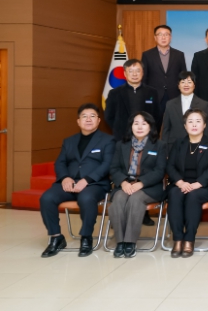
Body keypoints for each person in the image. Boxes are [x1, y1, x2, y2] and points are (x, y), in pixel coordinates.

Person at [40, 104, 115, 258]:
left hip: (94, 184)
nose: (88, 119)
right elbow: (60, 163)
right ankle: (56, 237)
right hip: (70, 182)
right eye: (84, 116)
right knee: (46, 198)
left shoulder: (108, 140)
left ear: (98, 120)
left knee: (86, 198)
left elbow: (107, 164)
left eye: (92, 116)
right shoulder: (69, 141)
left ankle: (86, 238)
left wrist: (87, 180)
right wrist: (65, 177)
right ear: (78, 121)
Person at [108, 112, 167, 258]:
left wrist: (141, 183)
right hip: (125, 184)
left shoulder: (159, 145)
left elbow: (160, 171)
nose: (140, 127)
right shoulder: (121, 145)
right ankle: (120, 242)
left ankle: (130, 242)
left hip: (149, 187)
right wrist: (123, 182)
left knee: (135, 199)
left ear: (150, 126)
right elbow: (114, 168)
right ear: (131, 126)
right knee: (118, 199)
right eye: (136, 123)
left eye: (144, 123)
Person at [166, 109, 208, 258]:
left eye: (198, 121)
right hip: (181, 184)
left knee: (193, 196)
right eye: (190, 122)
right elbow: (170, 166)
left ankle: (189, 239)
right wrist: (180, 182)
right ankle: (178, 239)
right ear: (185, 126)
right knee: (174, 194)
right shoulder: (179, 143)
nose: (194, 125)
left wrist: (199, 183)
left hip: (205, 186)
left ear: (204, 125)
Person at [105, 59, 161, 142]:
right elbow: (109, 116)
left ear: (142, 73)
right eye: (130, 71)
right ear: (125, 73)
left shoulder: (152, 92)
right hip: (122, 137)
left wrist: (150, 131)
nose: (134, 74)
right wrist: (119, 130)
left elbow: (157, 115)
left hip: (147, 137)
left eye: (138, 71)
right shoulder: (114, 93)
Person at [141, 25, 187, 115]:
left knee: (174, 122)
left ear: (170, 37)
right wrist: (145, 96)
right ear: (155, 37)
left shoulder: (179, 55)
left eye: (166, 34)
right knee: (154, 122)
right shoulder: (147, 55)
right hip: (154, 96)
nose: (163, 37)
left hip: (174, 95)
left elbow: (183, 76)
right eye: (160, 34)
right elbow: (144, 77)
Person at [161, 71, 208, 150]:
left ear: (194, 85)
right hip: (173, 146)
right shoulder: (170, 104)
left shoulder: (203, 105)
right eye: (183, 82)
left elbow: (207, 130)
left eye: (189, 82)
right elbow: (166, 129)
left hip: (197, 146)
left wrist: (205, 148)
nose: (186, 85)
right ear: (178, 85)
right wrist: (164, 150)